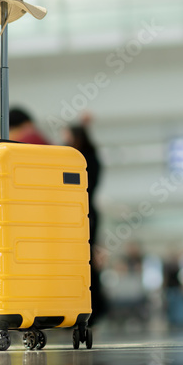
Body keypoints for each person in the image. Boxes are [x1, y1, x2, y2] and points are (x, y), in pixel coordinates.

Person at [62, 114, 108, 322]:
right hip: (84, 212)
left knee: (82, 260)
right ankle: (90, 308)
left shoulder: (79, 161)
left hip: (80, 213)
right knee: (83, 260)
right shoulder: (92, 158)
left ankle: (90, 308)